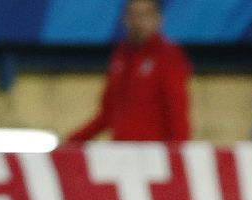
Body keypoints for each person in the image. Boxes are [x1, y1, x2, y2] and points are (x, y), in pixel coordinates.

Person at [67, 0, 191, 144]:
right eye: (133, 15)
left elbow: (177, 110)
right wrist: (71, 142)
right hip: (122, 152)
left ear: (158, 19)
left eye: (145, 15)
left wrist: (179, 153)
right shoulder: (121, 56)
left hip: (154, 153)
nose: (138, 22)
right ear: (124, 19)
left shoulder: (168, 56)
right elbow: (108, 113)